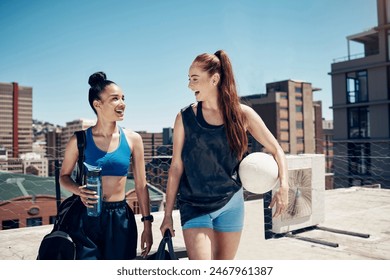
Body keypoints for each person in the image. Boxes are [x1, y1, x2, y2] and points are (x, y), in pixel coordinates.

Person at [160, 50, 289, 260]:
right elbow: (176, 167)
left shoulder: (242, 115)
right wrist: (167, 215)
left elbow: (276, 150)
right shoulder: (184, 117)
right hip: (194, 206)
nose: (189, 85)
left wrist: (284, 186)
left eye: (195, 79)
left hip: (231, 204)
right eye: (189, 79)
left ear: (214, 79)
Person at [59, 71, 153, 259]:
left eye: (123, 98)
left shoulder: (134, 139)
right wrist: (79, 190)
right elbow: (63, 177)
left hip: (120, 218)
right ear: (97, 104)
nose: (122, 103)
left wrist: (147, 225)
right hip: (87, 217)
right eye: (115, 99)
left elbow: (141, 186)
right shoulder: (79, 139)